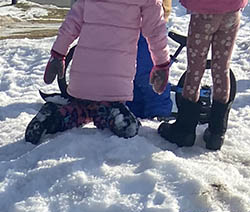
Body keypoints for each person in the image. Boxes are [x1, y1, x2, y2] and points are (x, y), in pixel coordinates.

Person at [25, 0, 171, 143]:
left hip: (82, 80)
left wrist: (58, 54)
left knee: (81, 109)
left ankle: (55, 116)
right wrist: (162, 64)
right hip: (113, 85)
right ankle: (112, 115)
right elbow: (155, 32)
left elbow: (71, 24)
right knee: (125, 125)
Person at [158, 0, 248, 150]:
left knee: (195, 69)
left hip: (204, 13)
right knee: (222, 68)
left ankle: (185, 130)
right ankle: (217, 132)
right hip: (232, 11)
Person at [130, 0, 175, 118]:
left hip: (149, 16)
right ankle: (133, 110)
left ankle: (158, 114)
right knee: (130, 72)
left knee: (148, 71)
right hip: (126, 17)